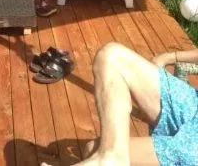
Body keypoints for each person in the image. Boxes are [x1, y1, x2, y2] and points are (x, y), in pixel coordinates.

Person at [42, 43, 198, 166]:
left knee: (92, 149)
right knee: (111, 56)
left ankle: (109, 156)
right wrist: (171, 56)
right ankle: (111, 156)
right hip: (193, 106)